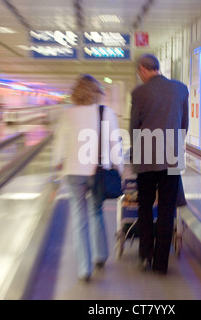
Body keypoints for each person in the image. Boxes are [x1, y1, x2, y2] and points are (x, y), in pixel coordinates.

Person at [54, 74, 123, 282]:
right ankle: (100, 256)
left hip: (73, 172)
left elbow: (59, 145)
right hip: (98, 171)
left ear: (76, 93)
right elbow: (114, 144)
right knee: (96, 212)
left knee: (78, 217)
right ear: (97, 93)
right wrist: (120, 169)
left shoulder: (68, 114)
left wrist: (56, 168)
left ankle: (84, 269)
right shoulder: (106, 112)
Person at [130, 54, 189, 274]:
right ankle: (161, 263)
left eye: (139, 72)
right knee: (167, 208)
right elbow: (184, 125)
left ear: (143, 69)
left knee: (145, 207)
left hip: (146, 156)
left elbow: (135, 127)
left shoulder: (139, 92)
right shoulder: (180, 89)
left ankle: (146, 254)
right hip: (172, 157)